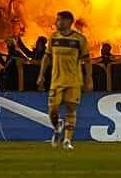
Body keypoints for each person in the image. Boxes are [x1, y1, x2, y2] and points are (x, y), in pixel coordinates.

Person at [36, 10, 92, 150]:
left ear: (68, 22)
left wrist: (88, 78)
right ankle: (57, 127)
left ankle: (67, 140)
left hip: (74, 81)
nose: (56, 22)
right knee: (52, 110)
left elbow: (87, 60)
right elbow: (47, 57)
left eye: (59, 20)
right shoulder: (53, 38)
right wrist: (41, 75)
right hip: (56, 81)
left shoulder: (79, 39)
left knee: (71, 109)